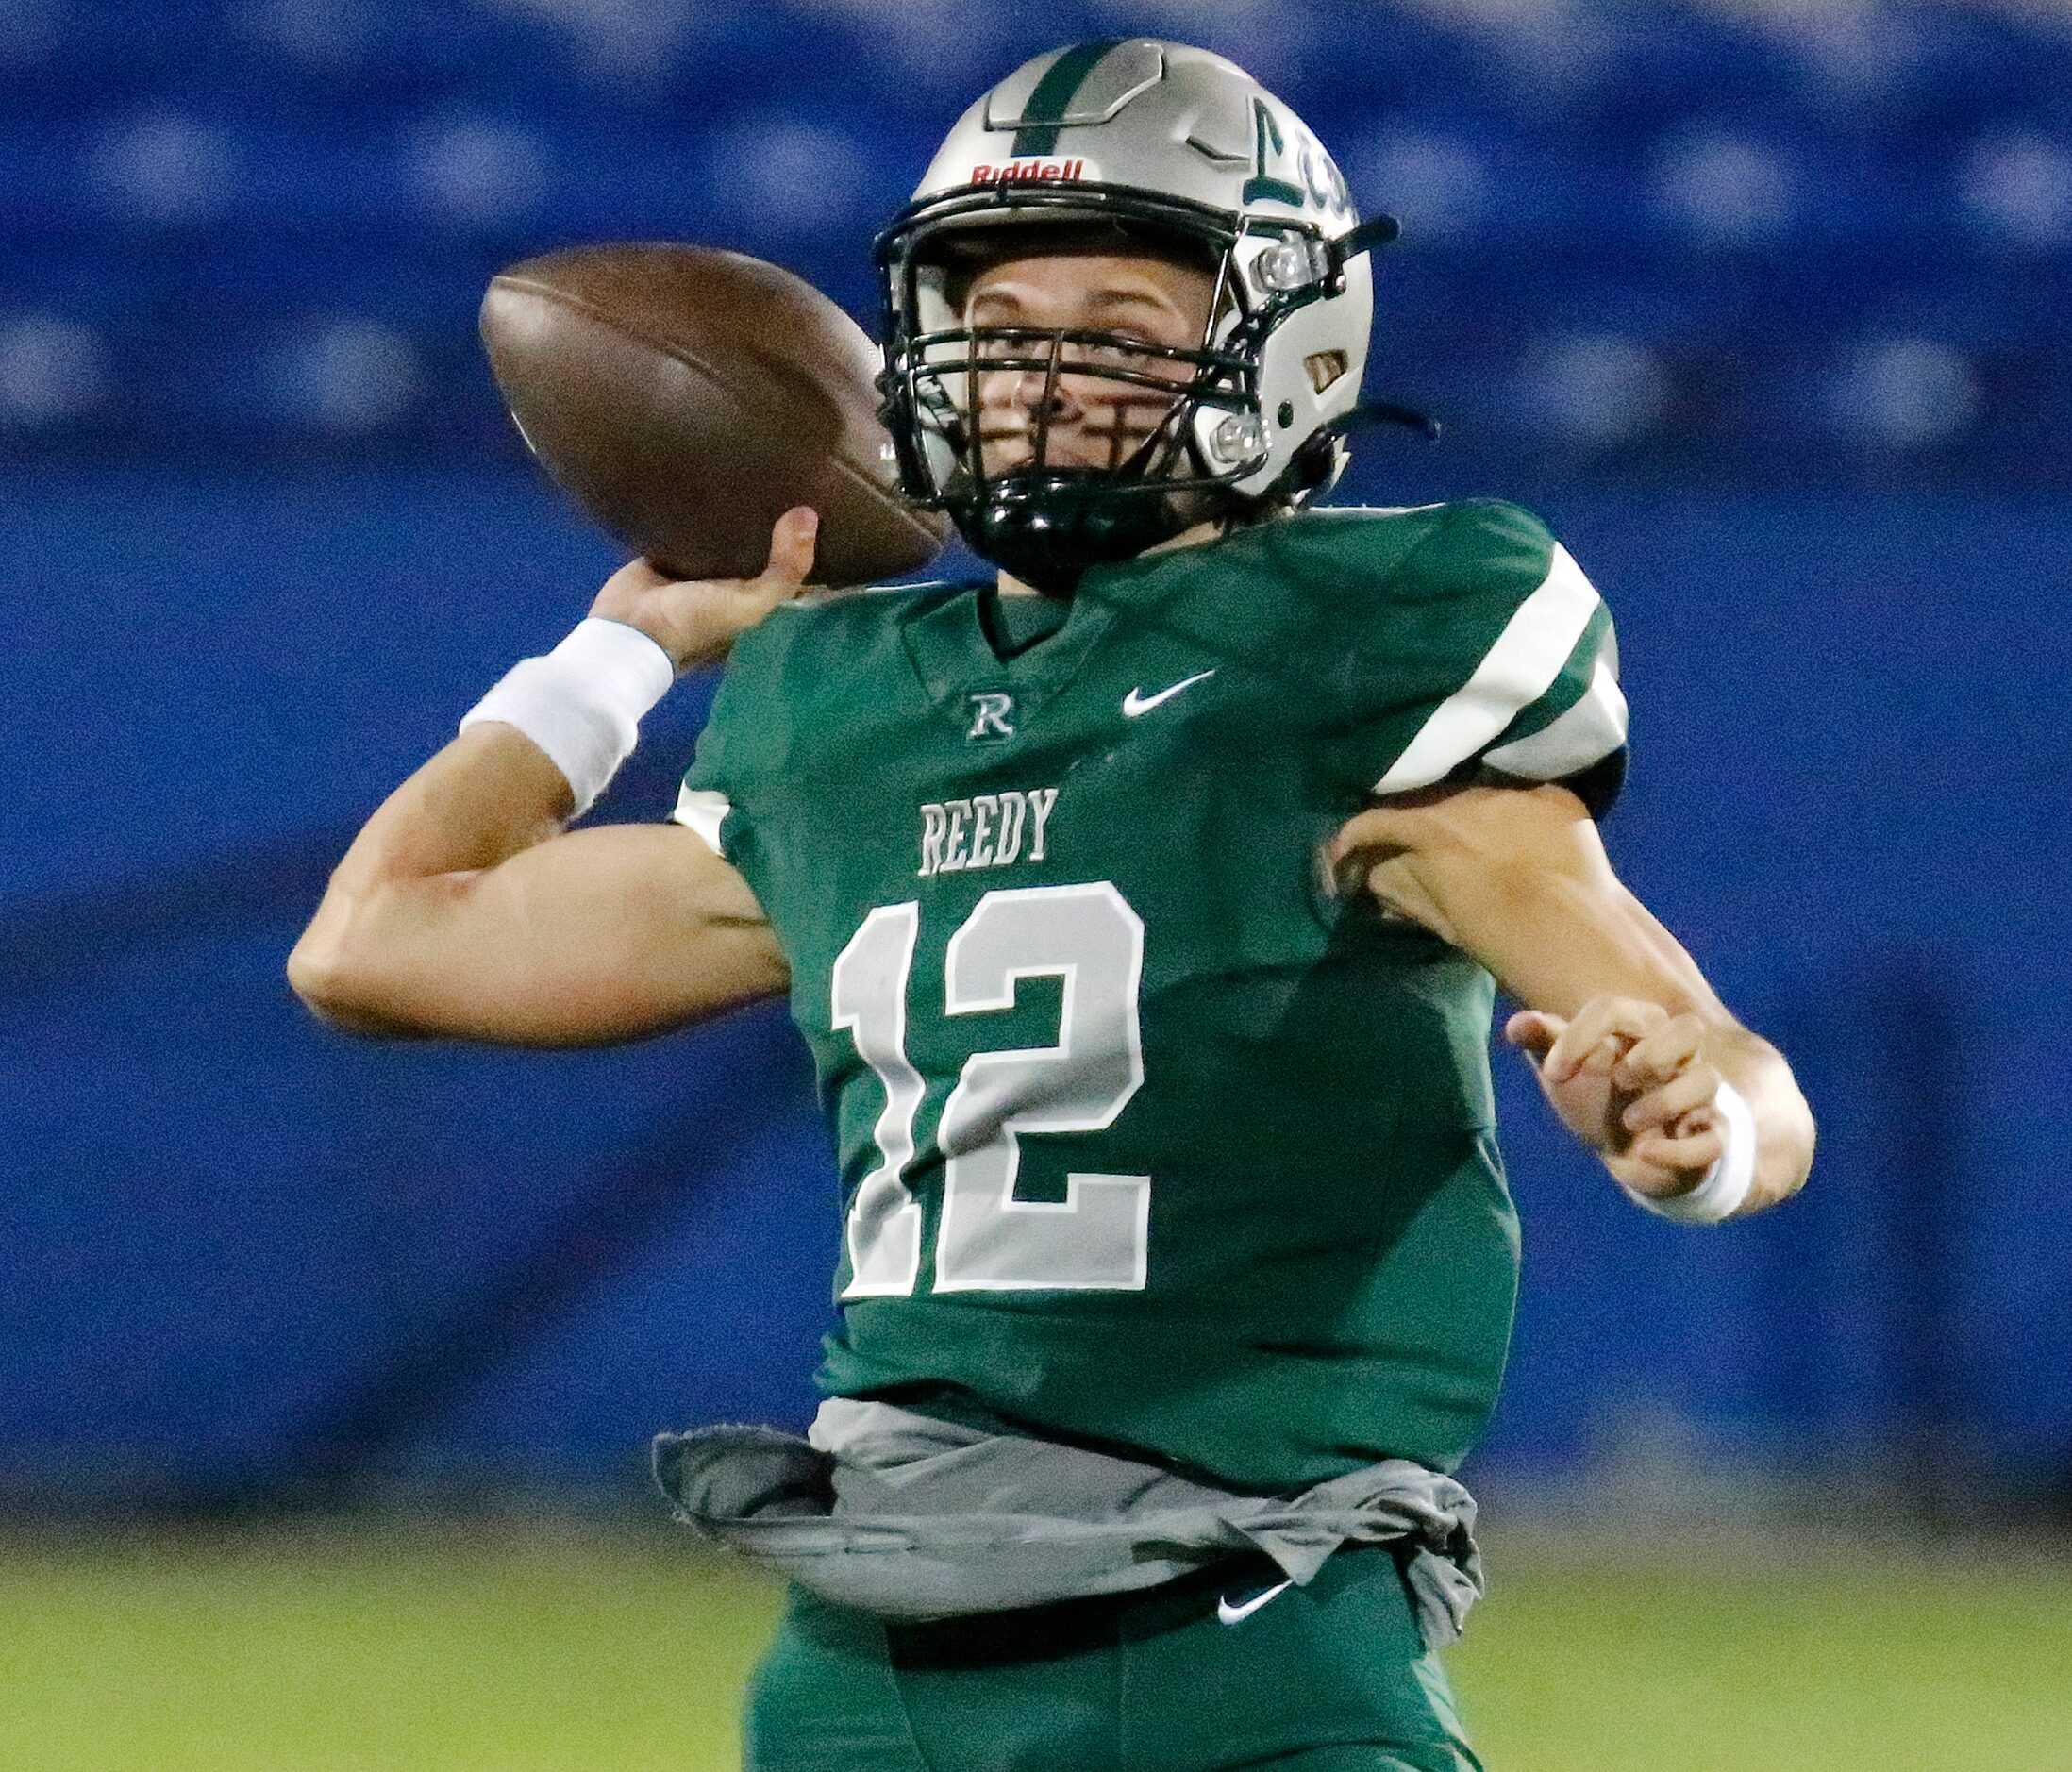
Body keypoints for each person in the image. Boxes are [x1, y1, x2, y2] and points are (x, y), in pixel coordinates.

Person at [290, 39, 1814, 1772]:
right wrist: (625, 644)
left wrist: (1694, 1133)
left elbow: (1722, 1065)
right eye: (1001, 328)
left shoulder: (1359, 642)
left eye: (1121, 325)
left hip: (1258, 1636)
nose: (1046, 377)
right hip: (875, 1660)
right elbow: (376, 938)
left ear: (1283, 343)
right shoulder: (842, 708)